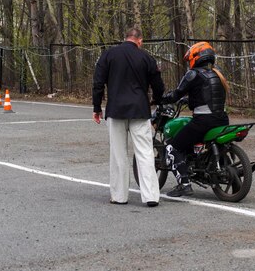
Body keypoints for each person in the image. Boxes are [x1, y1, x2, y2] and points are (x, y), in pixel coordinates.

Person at [92, 27, 165, 207]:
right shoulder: (146, 58)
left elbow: (98, 82)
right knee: (145, 153)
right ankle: (151, 196)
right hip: (140, 110)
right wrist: (156, 100)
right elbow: (158, 84)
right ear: (139, 40)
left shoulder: (109, 55)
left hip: (116, 110)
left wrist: (96, 107)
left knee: (118, 154)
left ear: (125, 38)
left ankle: (119, 195)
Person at [161, 41, 229, 197]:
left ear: (196, 57)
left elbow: (177, 94)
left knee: (172, 148)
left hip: (203, 122)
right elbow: (205, 95)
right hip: (222, 119)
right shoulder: (218, 73)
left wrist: (162, 99)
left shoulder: (193, 74)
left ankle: (184, 184)